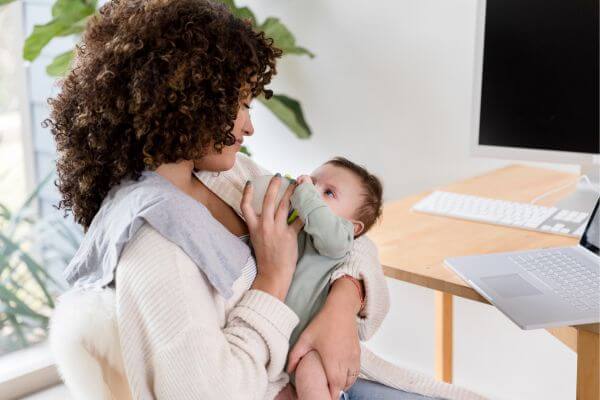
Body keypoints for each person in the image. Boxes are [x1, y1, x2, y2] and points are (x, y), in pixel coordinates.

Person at [46, 0, 391, 398]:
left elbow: (354, 237)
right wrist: (272, 279)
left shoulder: (231, 176)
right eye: (241, 104)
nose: (250, 126)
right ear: (188, 102)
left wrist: (343, 303)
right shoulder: (154, 248)